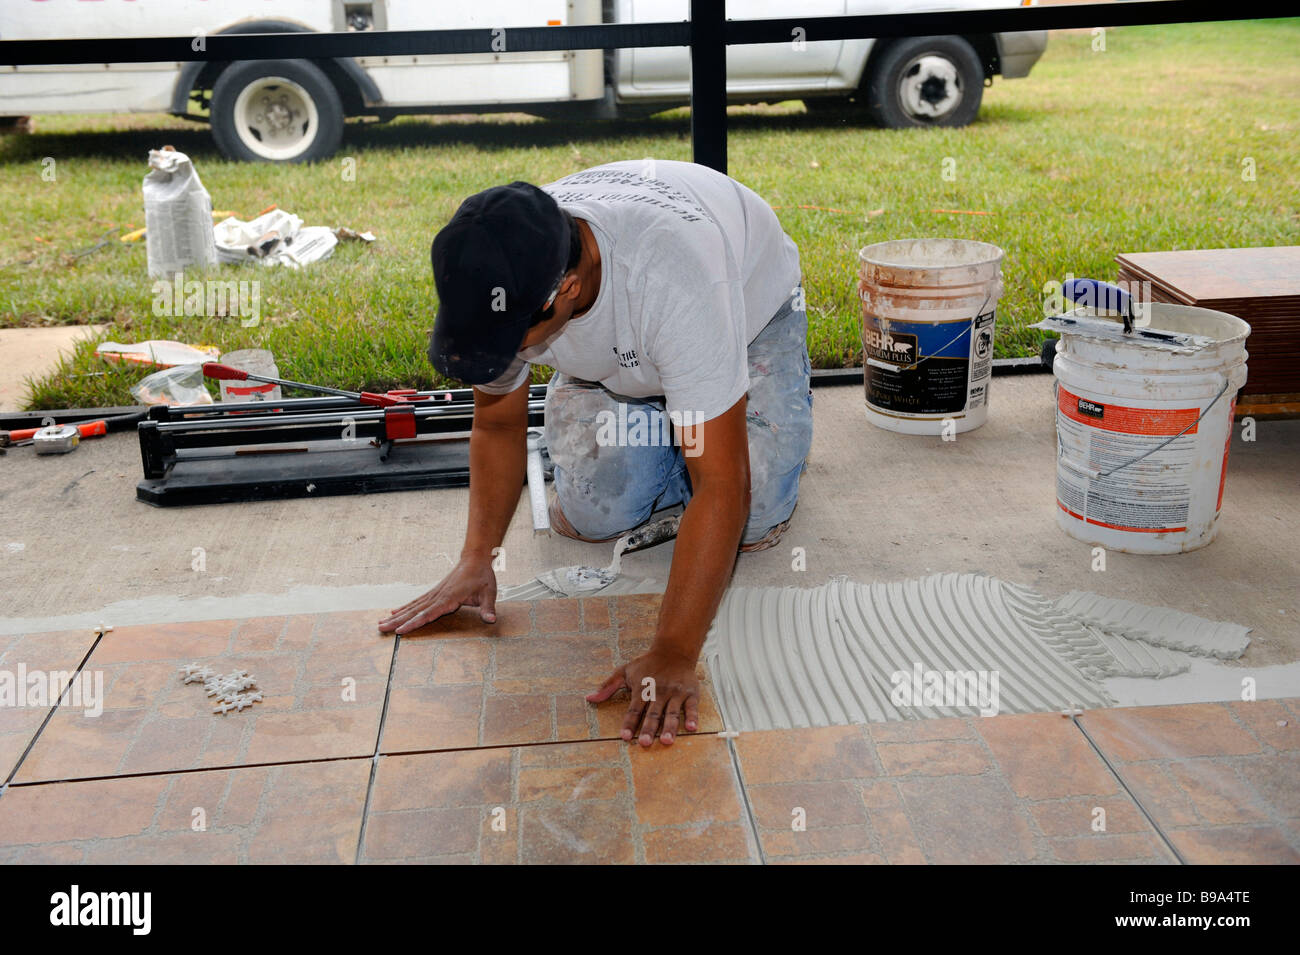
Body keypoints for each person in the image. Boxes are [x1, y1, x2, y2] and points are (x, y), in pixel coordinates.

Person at [379, 159, 812, 746]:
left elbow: (721, 487)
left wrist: (674, 650)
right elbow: (499, 426)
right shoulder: (505, 274)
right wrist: (476, 557)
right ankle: (673, 408)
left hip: (748, 316)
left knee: (750, 511)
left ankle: (699, 409)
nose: (504, 353)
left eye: (512, 342)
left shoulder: (675, 277)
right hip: (627, 352)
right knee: (596, 511)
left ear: (569, 289)